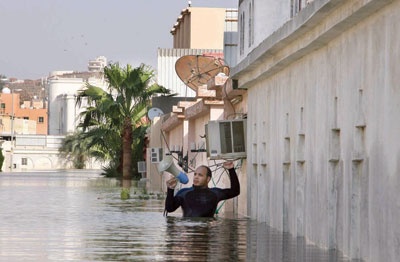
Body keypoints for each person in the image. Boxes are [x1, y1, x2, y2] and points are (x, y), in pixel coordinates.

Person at [164, 161, 240, 217]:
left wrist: (231, 170)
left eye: (200, 175)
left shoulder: (215, 193)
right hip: (189, 232)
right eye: (195, 174)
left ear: (208, 179)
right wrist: (170, 189)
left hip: (207, 233)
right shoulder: (184, 193)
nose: (196, 177)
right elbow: (170, 209)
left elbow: (235, 191)